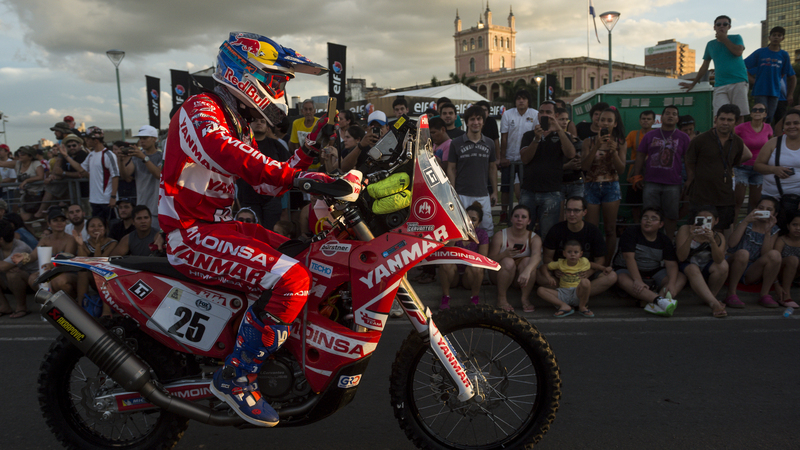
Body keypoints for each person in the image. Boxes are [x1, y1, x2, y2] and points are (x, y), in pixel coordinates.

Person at [159, 32, 351, 428]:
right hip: (190, 234)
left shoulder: (237, 121)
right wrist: (302, 177)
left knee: (309, 257)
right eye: (277, 80)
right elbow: (226, 152)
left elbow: (263, 183)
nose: (280, 90)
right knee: (292, 282)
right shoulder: (201, 108)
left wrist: (310, 150)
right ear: (247, 74)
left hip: (222, 228)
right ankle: (236, 378)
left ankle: (277, 353)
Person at [685, 104, 750, 232]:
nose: (725, 123)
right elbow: (690, 162)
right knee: (697, 230)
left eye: (730, 120)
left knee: (721, 230)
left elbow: (734, 163)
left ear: (736, 122)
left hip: (724, 196)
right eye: (722, 119)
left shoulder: (737, 142)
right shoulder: (700, 140)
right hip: (701, 195)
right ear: (716, 119)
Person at [519, 100, 576, 238]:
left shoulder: (563, 135)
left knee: (548, 233)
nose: (545, 115)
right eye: (542, 112)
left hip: (551, 192)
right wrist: (536, 139)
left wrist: (559, 131)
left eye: (548, 112)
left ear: (556, 115)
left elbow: (570, 154)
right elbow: (525, 159)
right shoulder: (528, 135)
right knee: (524, 232)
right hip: (529, 190)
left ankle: (546, 259)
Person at [540, 196, 617, 298]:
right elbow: (547, 257)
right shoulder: (556, 230)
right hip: (562, 274)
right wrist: (555, 270)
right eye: (569, 210)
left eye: (576, 210)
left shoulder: (593, 231)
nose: (572, 214)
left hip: (583, 275)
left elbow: (600, 259)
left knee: (612, 276)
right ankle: (577, 297)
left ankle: (572, 296)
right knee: (538, 274)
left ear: (584, 212)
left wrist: (590, 272)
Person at [613, 207, 684, 316]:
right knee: (620, 278)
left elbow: (671, 264)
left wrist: (671, 283)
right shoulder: (631, 232)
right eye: (645, 218)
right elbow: (628, 257)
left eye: (653, 218)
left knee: (680, 276)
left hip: (653, 271)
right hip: (627, 270)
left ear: (661, 224)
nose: (648, 221)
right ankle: (659, 301)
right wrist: (637, 279)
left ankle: (654, 303)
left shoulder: (664, 239)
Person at [634, 106, 691, 238]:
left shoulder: (683, 137)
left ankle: (669, 243)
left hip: (673, 184)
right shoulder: (650, 135)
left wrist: (689, 178)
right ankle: (650, 242)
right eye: (667, 113)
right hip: (651, 182)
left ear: (677, 118)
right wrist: (636, 175)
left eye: (674, 114)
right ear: (661, 117)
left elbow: (688, 159)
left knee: (671, 215)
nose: (670, 116)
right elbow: (640, 155)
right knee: (650, 215)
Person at [680, 15, 750, 117]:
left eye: (725, 24)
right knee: (720, 115)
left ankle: (736, 133)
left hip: (738, 81)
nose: (721, 26)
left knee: (738, 115)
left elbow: (738, 52)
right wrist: (693, 83)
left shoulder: (736, 38)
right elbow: (704, 66)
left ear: (729, 27)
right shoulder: (710, 44)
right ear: (714, 27)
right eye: (718, 24)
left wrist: (724, 39)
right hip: (720, 84)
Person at [581, 107, 626, 263]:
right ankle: (594, 263)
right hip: (591, 186)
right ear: (598, 122)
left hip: (611, 187)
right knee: (592, 229)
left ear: (615, 123)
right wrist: (596, 147)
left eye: (609, 120)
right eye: (602, 119)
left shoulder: (620, 142)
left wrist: (613, 152)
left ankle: (607, 264)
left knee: (610, 229)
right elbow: (585, 166)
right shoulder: (588, 141)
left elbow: (621, 169)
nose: (605, 123)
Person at [446, 105, 497, 237]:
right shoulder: (456, 143)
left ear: (483, 122)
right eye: (472, 119)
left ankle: (484, 257)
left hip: (482, 194)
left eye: (479, 119)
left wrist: (495, 192)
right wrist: (452, 192)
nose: (476, 122)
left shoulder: (490, 143)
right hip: (462, 194)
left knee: (486, 231)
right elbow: (451, 168)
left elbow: (492, 168)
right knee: (461, 230)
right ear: (466, 122)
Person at [724, 196, 782, 308]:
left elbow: (766, 255)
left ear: (775, 214)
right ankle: (731, 293)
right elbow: (731, 244)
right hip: (735, 263)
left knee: (775, 254)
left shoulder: (774, 230)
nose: (764, 211)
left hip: (752, 270)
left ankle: (764, 295)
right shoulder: (746, 223)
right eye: (761, 208)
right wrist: (745, 221)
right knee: (743, 253)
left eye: (769, 210)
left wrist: (767, 232)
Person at [11, 208, 79, 301]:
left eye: (62, 220)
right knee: (33, 279)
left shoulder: (70, 239)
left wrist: (51, 265)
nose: (59, 223)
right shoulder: (45, 240)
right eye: (55, 220)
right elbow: (34, 256)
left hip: (69, 272)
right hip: (51, 271)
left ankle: (71, 304)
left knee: (58, 281)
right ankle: (52, 304)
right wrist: (24, 257)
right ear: (48, 224)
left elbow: (66, 259)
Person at [236, 117, 290, 229]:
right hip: (247, 197)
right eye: (255, 120)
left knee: (271, 232)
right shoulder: (241, 145)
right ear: (249, 125)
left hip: (272, 199)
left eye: (263, 121)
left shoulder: (276, 145)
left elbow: (288, 166)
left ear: (268, 128)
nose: (259, 123)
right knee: (249, 232)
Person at [675, 206, 729, 317]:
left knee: (723, 265)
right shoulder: (685, 229)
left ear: (716, 221)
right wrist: (691, 237)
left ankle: (710, 297)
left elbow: (719, 260)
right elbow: (681, 257)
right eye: (700, 220)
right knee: (693, 267)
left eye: (708, 220)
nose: (704, 223)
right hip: (687, 266)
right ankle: (714, 303)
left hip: (706, 267)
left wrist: (712, 241)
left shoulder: (719, 236)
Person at [488, 204, 541, 312]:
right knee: (508, 262)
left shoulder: (534, 237)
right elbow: (490, 260)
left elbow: (537, 256)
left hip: (520, 277)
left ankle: (525, 298)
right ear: (511, 218)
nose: (519, 220)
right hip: (500, 274)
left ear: (529, 221)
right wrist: (504, 255)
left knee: (528, 262)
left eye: (523, 217)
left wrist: (527, 271)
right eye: (516, 216)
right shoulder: (500, 235)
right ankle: (501, 298)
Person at [58, 126, 119, 219]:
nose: (85, 141)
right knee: (98, 228)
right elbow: (81, 168)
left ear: (96, 140)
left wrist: (113, 197)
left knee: (112, 227)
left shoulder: (108, 155)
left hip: (107, 200)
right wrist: (66, 156)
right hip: (94, 200)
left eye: (87, 138)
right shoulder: (91, 154)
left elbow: (115, 176)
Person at [438, 202, 489, 309]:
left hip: (469, 275)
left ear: (479, 223)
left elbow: (482, 259)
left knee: (478, 267)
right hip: (453, 274)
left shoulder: (482, 235)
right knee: (445, 263)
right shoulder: (453, 231)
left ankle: (474, 297)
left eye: (473, 219)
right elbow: (445, 253)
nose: (469, 221)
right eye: (466, 218)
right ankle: (445, 296)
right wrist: (456, 238)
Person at [744, 26, 797, 123]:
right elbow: (744, 66)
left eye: (779, 35)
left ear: (783, 38)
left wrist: (790, 94)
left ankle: (768, 137)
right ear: (769, 37)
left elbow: (787, 74)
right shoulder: (760, 52)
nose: (776, 37)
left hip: (775, 91)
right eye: (774, 35)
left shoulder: (784, 55)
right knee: (761, 116)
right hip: (760, 91)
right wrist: (754, 81)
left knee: (770, 117)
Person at [499, 90, 538, 219]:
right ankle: (504, 213)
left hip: (527, 160)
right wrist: (503, 157)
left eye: (524, 98)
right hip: (509, 158)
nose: (521, 101)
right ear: (515, 101)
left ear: (528, 101)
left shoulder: (535, 114)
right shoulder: (508, 114)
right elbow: (504, 137)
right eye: (518, 98)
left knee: (526, 189)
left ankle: (526, 214)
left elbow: (536, 138)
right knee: (505, 187)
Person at [73, 216, 118, 318]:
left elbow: (100, 263)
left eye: (99, 226)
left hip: (109, 279)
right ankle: (81, 308)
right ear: (87, 230)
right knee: (82, 273)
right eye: (92, 226)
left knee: (100, 271)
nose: (96, 228)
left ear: (105, 229)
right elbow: (82, 263)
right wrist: (80, 246)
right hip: (92, 279)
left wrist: (98, 245)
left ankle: (106, 312)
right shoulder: (85, 243)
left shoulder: (112, 243)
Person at [120, 125, 163, 231]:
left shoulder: (161, 156)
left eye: (145, 138)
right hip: (141, 205)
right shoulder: (137, 156)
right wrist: (121, 160)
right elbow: (126, 176)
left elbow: (158, 174)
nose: (142, 141)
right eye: (140, 138)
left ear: (154, 139)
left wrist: (144, 158)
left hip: (157, 207)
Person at [734, 103, 772, 216]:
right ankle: (733, 230)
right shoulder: (741, 127)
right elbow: (729, 138)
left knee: (755, 203)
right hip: (742, 167)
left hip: (759, 168)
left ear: (765, 114)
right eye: (754, 109)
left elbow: (770, 145)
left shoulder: (768, 128)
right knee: (737, 202)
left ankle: (751, 229)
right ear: (750, 113)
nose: (757, 111)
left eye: (761, 110)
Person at [537, 240, 593, 318]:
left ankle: (582, 306)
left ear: (581, 254)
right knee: (540, 290)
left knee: (585, 281)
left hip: (577, 292)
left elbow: (593, 265)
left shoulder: (584, 261)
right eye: (569, 252)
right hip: (563, 292)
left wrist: (603, 268)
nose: (572, 254)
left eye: (576, 252)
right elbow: (543, 267)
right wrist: (548, 277)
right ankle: (564, 306)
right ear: (564, 253)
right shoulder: (560, 263)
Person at [754, 109, 800, 201]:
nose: (792, 126)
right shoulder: (773, 143)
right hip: (771, 198)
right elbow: (757, 166)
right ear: (783, 126)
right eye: (788, 124)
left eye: (796, 123)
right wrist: (774, 169)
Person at [0, 220, 39, 318]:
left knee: (13, 274)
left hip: (32, 283)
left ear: (1, 239)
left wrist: (5, 266)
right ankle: (4, 306)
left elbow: (3, 266)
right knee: (11, 272)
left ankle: (21, 307)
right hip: (8, 283)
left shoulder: (20, 247)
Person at [625, 110, 656, 223]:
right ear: (639, 120)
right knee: (635, 205)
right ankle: (637, 226)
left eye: (648, 119)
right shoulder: (633, 134)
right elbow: (623, 146)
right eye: (643, 118)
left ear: (653, 121)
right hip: (635, 175)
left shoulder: (658, 135)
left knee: (653, 205)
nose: (646, 121)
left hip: (653, 175)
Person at [0, 146, 44, 221]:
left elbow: (40, 176)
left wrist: (27, 180)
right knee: (24, 219)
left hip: (38, 195)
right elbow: (1, 163)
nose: (20, 155)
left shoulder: (36, 163)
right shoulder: (17, 164)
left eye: (23, 153)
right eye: (19, 152)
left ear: (30, 156)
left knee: (41, 219)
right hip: (25, 195)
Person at [773, 211, 800, 309]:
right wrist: (775, 283)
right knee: (793, 260)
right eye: (794, 225)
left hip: (796, 275)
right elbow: (774, 263)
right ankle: (785, 295)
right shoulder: (782, 240)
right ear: (788, 226)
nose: (798, 228)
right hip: (781, 273)